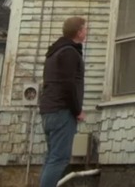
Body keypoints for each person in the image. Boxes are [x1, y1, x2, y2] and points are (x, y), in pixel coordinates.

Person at [38, 17, 87, 187]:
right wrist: (77, 110)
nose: (86, 32)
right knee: (59, 159)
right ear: (79, 32)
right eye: (85, 29)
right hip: (61, 111)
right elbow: (68, 84)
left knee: (52, 158)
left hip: (49, 110)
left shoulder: (55, 52)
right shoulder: (69, 52)